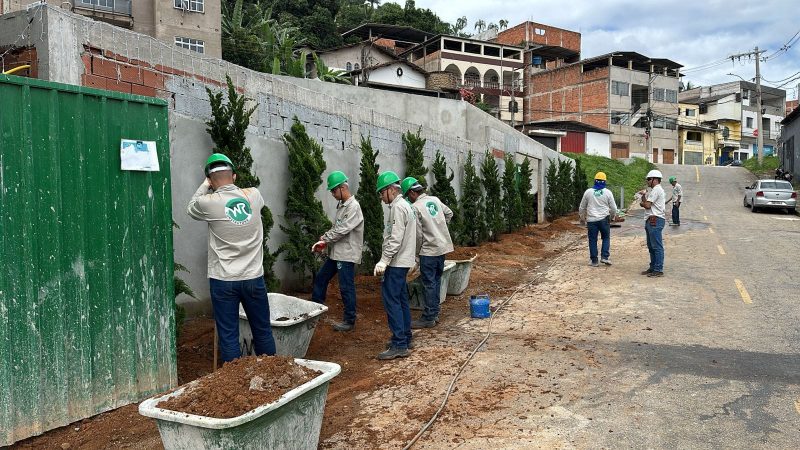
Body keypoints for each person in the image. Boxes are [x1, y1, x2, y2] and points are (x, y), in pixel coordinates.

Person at [187, 153, 276, 362]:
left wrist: (205, 185)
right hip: (253, 278)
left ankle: (236, 385)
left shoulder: (208, 203)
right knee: (262, 330)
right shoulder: (253, 195)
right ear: (234, 176)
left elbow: (190, 208)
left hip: (224, 281)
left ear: (210, 180)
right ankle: (271, 375)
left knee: (228, 337)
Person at [310, 171, 364, 332]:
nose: (333, 194)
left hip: (346, 254)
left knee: (346, 287)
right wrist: (324, 240)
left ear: (342, 188)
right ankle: (315, 311)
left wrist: (326, 239)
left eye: (334, 190)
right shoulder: (342, 206)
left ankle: (349, 320)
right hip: (337, 253)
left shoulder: (353, 207)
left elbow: (343, 229)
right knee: (321, 278)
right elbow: (337, 228)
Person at [374, 171, 417, 360]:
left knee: (392, 301)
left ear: (391, 190)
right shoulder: (406, 206)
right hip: (403, 261)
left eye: (382, 193)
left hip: (396, 262)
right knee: (401, 300)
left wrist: (384, 260)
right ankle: (405, 338)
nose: (382, 198)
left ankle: (399, 344)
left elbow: (395, 238)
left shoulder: (398, 208)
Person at [401, 177, 453, 328]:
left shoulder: (415, 207)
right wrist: (439, 228)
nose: (408, 199)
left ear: (411, 193)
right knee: (436, 281)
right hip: (441, 248)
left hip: (428, 251)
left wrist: (416, 254)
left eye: (407, 196)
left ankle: (429, 317)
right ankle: (435, 312)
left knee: (429, 283)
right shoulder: (435, 200)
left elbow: (417, 235)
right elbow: (449, 213)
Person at [578, 172, 618, 267]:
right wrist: (612, 217)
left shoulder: (588, 192)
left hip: (591, 221)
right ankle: (604, 257)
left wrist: (582, 218)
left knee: (592, 240)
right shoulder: (608, 192)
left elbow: (582, 207)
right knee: (606, 238)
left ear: (594, 180)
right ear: (605, 181)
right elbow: (614, 208)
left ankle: (594, 261)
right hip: (604, 220)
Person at [638, 169, 666, 277]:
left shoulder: (656, 190)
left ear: (655, 180)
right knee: (651, 246)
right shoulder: (655, 190)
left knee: (656, 246)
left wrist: (641, 204)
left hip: (655, 220)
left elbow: (647, 205)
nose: (647, 181)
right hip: (651, 220)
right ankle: (653, 267)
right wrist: (643, 196)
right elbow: (648, 203)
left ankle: (658, 269)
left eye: (649, 179)